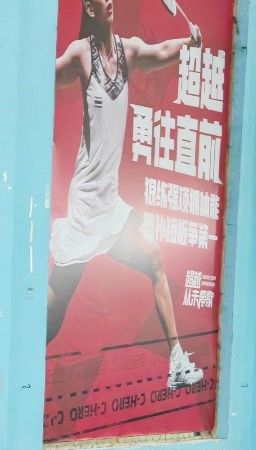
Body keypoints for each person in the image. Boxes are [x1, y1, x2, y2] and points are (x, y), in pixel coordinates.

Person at [50, 0, 204, 390]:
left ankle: (176, 361)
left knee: (153, 258)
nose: (110, 2)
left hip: (111, 204)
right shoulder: (80, 54)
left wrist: (188, 43)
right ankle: (18, 347)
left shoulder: (128, 49)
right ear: (89, 9)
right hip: (86, 205)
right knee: (54, 307)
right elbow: (46, 77)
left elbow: (161, 51)